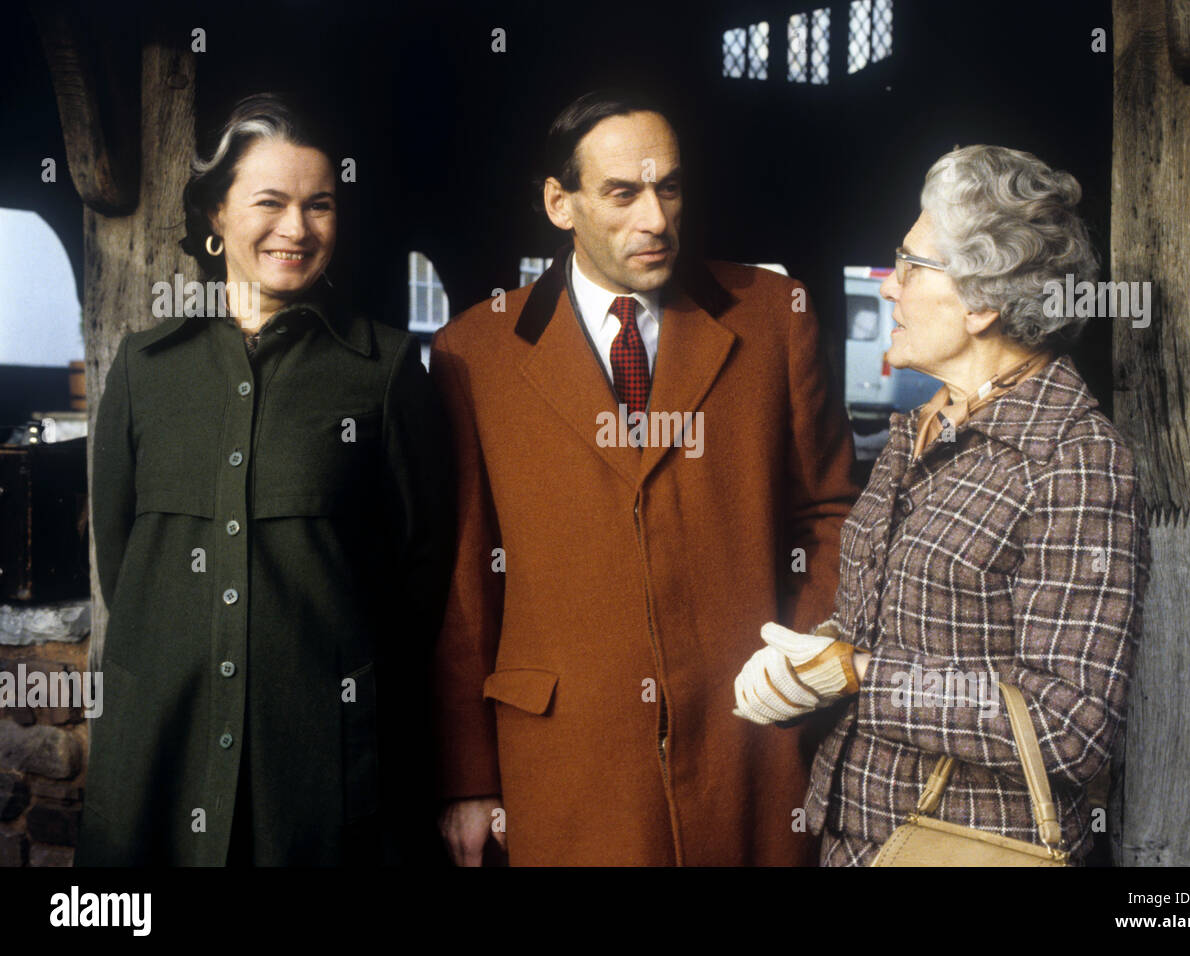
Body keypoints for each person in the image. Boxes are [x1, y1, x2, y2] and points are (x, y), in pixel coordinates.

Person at [432, 89, 858, 866]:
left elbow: (831, 510)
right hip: (563, 759)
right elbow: (466, 576)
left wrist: (801, 657)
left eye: (669, 188)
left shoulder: (773, 314)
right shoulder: (475, 350)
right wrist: (468, 777)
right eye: (622, 193)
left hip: (749, 746)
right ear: (560, 204)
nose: (656, 219)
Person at [733, 145, 1150, 866]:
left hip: (969, 846)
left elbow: (1071, 727)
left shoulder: (1073, 457)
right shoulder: (924, 424)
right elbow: (904, 622)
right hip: (857, 840)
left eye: (910, 265)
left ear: (983, 301)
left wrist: (862, 676)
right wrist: (818, 658)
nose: (888, 288)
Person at [77, 93, 449, 866]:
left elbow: (421, 578)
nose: (297, 229)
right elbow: (123, 563)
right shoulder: (147, 373)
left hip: (318, 769)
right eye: (269, 202)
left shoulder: (383, 374)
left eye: (320, 205)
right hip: (162, 759)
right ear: (216, 214)